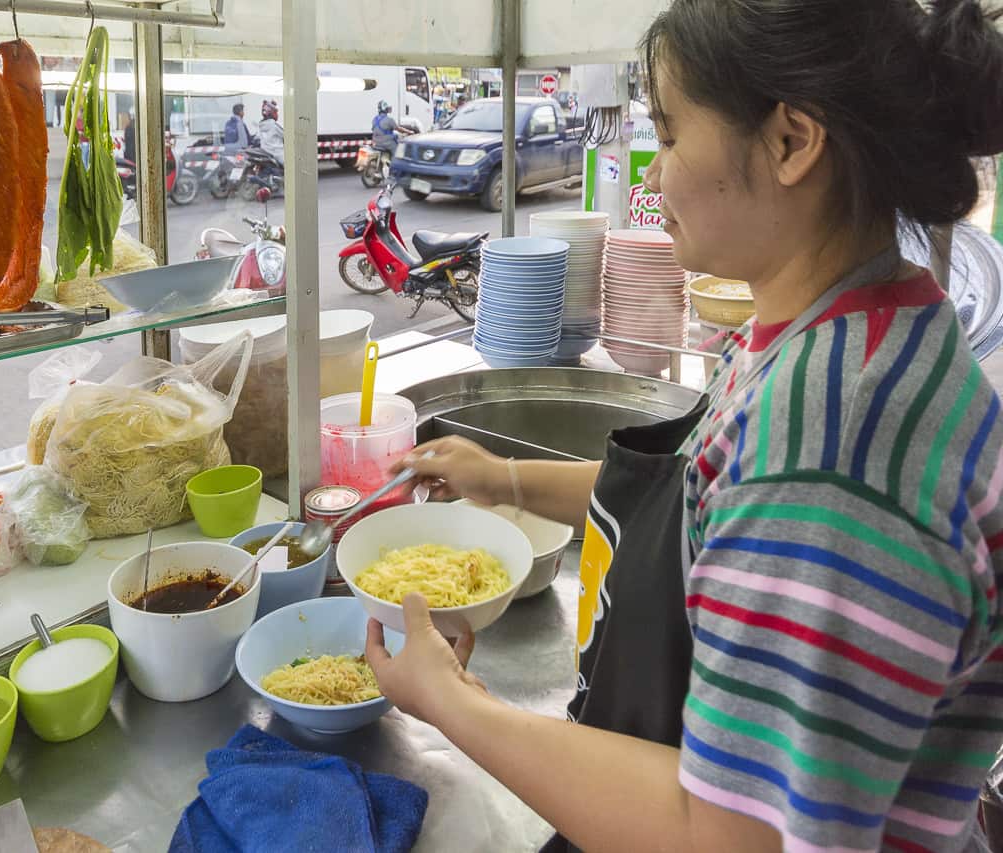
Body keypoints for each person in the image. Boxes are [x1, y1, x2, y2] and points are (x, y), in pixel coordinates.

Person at [364, 1, 1003, 851]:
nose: (655, 177)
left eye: (667, 136)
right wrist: (504, 478)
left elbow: (730, 836)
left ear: (790, 142)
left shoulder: (829, 447)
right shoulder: (837, 328)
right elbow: (706, 507)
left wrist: (451, 700)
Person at [257, 100, 284, 165]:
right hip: (278, 154)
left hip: (266, 152)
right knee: (292, 166)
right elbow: (287, 136)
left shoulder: (261, 125)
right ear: (272, 113)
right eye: (276, 112)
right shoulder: (274, 125)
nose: (277, 114)